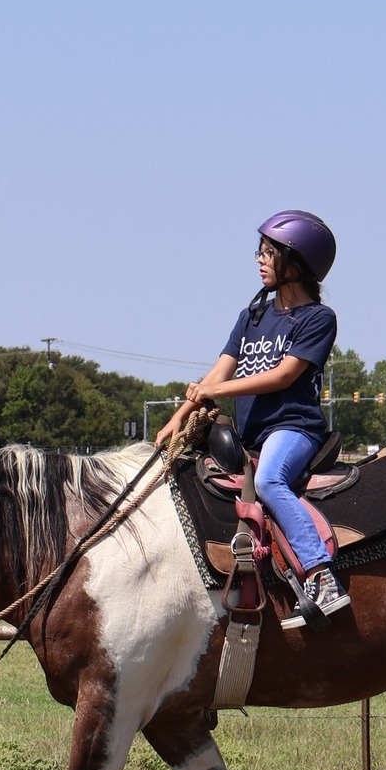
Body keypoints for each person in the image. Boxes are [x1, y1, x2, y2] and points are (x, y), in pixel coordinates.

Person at [157, 210, 349, 629]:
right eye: (259, 252)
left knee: (269, 482)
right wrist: (179, 418)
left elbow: (283, 376)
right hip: (251, 435)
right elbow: (218, 373)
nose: (259, 260)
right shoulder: (252, 317)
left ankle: (322, 576)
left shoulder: (319, 319)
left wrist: (216, 391)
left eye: (268, 253)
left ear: (296, 261)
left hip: (294, 428)